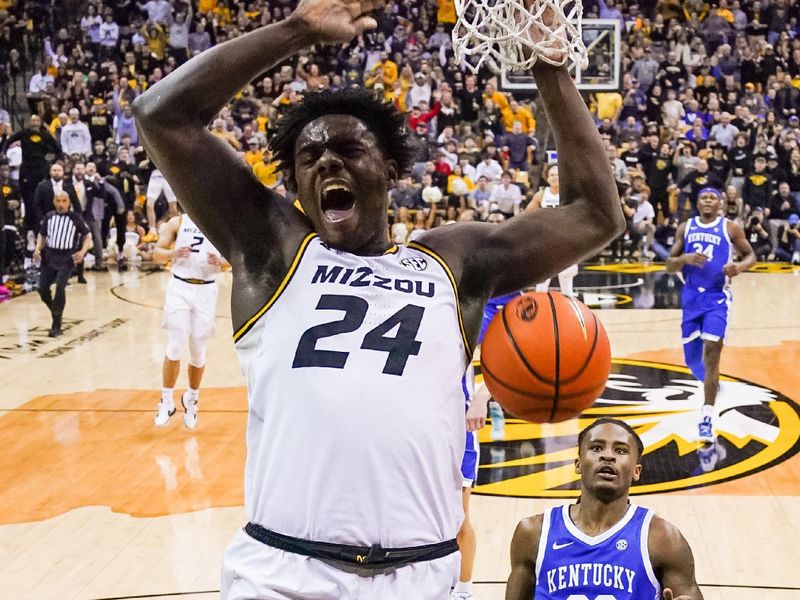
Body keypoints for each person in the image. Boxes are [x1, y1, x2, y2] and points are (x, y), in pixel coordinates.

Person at [132, 0, 624, 594]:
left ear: (391, 170)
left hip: (423, 573)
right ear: (294, 186)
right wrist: (296, 31)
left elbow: (595, 213)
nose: (327, 162)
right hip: (283, 575)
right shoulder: (273, 250)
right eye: (309, 158)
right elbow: (161, 116)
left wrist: (548, 64)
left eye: (348, 149)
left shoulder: (452, 262)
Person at [506, 418, 704, 600]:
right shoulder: (533, 533)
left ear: (636, 471)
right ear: (578, 464)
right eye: (596, 448)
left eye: (620, 450)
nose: (608, 456)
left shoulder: (662, 539)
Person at [666, 188, 755, 443]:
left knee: (712, 352)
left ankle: (707, 416)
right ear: (697, 202)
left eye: (712, 198)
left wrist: (739, 266)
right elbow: (669, 266)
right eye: (703, 197)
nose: (707, 201)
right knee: (693, 360)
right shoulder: (686, 227)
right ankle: (712, 385)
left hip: (717, 299)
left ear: (721, 203)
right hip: (691, 298)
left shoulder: (731, 228)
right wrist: (684, 258)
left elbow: (751, 255)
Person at [153, 209, 227, 429]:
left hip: (206, 290)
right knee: (175, 345)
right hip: (179, 286)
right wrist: (172, 254)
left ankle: (192, 398)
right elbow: (157, 253)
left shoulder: (219, 223)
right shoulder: (177, 222)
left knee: (198, 350)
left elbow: (233, 259)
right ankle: (166, 400)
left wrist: (221, 261)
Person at [33, 191, 91, 337]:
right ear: (54, 202)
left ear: (69, 202)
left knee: (60, 286)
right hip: (49, 256)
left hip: (67, 258)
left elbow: (87, 235)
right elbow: (42, 235)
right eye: (58, 201)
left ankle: (56, 323)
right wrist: (37, 249)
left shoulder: (75, 218)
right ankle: (55, 310)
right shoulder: (49, 217)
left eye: (64, 201)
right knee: (42, 288)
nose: (61, 204)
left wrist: (83, 251)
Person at [527, 164, 578, 297]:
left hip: (566, 238)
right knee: (542, 280)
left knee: (566, 278)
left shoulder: (570, 194)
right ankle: (539, 311)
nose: (555, 177)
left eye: (557, 175)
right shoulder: (541, 194)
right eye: (552, 175)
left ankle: (570, 312)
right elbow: (526, 215)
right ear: (547, 178)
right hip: (546, 239)